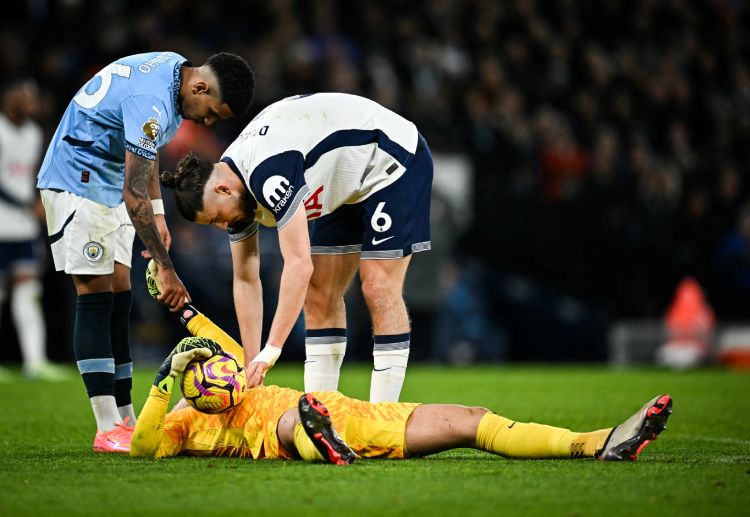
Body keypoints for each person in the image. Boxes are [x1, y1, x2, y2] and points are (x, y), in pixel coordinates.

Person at [131, 298, 673, 463]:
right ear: (189, 389)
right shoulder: (181, 423)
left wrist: (185, 318)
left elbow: (220, 345)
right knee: (293, 421)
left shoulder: (236, 379)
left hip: (344, 411)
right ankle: (322, 446)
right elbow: (143, 448)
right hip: (295, 425)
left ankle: (598, 444)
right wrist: (162, 381)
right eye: (200, 370)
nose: (217, 369)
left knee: (471, 419)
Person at [36, 51, 254, 452]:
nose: (207, 122)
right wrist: (166, 267)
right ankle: (106, 427)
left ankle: (126, 418)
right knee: (96, 295)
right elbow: (134, 190)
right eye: (211, 113)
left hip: (106, 180)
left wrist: (159, 215)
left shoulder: (173, 71)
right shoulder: (153, 103)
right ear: (200, 87)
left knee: (121, 295)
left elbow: (144, 155)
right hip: (77, 181)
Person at [160, 93, 434, 403]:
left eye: (218, 218)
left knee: (377, 285)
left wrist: (272, 349)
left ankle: (386, 413)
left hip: (390, 158)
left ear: (223, 189)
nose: (223, 227)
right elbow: (246, 279)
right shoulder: (234, 193)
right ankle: (319, 415)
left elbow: (299, 264)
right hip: (339, 179)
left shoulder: (267, 174)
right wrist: (252, 364)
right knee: (318, 294)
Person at [0, 78, 67, 381]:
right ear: (9, 97)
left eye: (33, 97)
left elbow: (30, 177)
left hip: (24, 229)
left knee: (28, 294)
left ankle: (35, 361)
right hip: (2, 226)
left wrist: (38, 201)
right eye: (25, 96)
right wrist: (28, 202)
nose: (31, 102)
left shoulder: (32, 132)